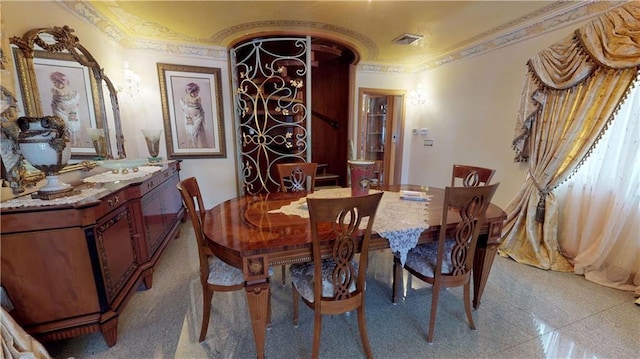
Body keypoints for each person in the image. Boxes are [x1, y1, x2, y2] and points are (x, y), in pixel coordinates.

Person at [49, 71, 81, 146]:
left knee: (73, 128)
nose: (55, 84)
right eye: (54, 82)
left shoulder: (74, 93)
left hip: (72, 115)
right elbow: (61, 107)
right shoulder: (56, 93)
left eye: (63, 80)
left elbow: (73, 109)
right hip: (62, 116)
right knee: (67, 130)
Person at [179, 82, 205, 148]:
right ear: (191, 92)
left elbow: (201, 111)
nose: (196, 94)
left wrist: (200, 116)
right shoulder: (185, 101)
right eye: (195, 92)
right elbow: (186, 112)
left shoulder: (198, 100)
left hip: (198, 122)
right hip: (191, 123)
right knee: (191, 138)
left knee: (199, 140)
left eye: (197, 92)